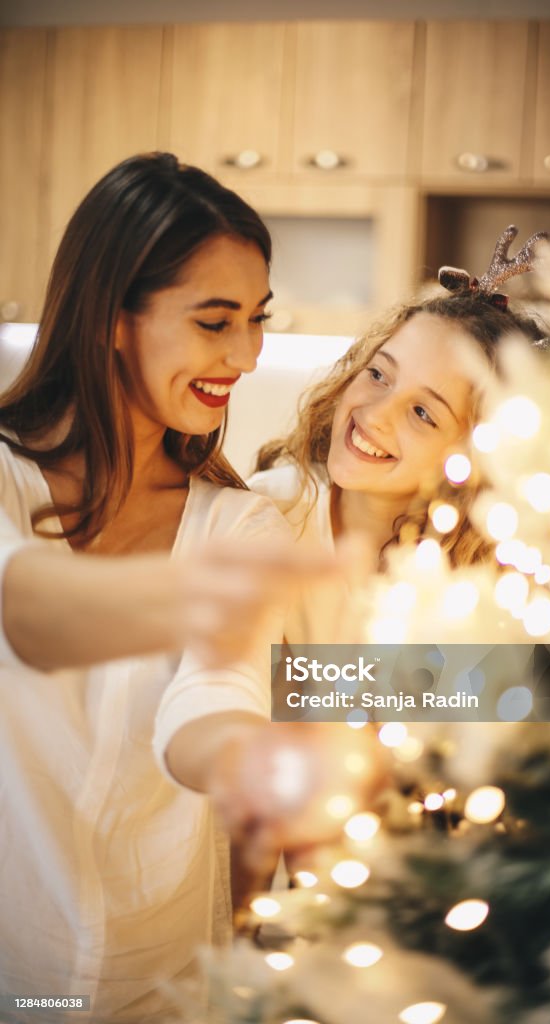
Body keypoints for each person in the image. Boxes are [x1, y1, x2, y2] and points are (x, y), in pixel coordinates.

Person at [0, 152, 375, 1023]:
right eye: (214, 321)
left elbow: (214, 690)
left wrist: (246, 760)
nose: (244, 356)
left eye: (255, 320)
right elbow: (21, 603)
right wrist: (184, 598)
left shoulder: (235, 524)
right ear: (112, 318)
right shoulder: (6, 481)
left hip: (164, 978)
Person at [249, 255, 548, 643]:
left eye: (422, 413)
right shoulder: (267, 510)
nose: (375, 416)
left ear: (480, 455)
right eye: (378, 374)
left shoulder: (500, 585)